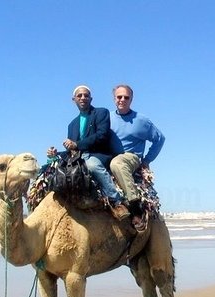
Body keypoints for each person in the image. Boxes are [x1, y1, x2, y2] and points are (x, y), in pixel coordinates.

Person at [47, 85, 130, 221]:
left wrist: (77, 144)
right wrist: (55, 153)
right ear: (74, 99)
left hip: (99, 155)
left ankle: (116, 202)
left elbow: (101, 135)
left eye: (86, 95)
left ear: (91, 98)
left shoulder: (101, 113)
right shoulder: (72, 125)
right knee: (49, 167)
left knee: (91, 165)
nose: (83, 98)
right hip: (79, 157)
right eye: (79, 95)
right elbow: (72, 150)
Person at [109, 84, 165, 229]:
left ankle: (135, 205)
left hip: (130, 157)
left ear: (131, 99)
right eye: (119, 97)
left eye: (126, 97)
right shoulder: (107, 117)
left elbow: (160, 139)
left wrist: (147, 160)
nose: (122, 100)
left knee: (117, 163)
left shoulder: (141, 120)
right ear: (114, 98)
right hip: (108, 156)